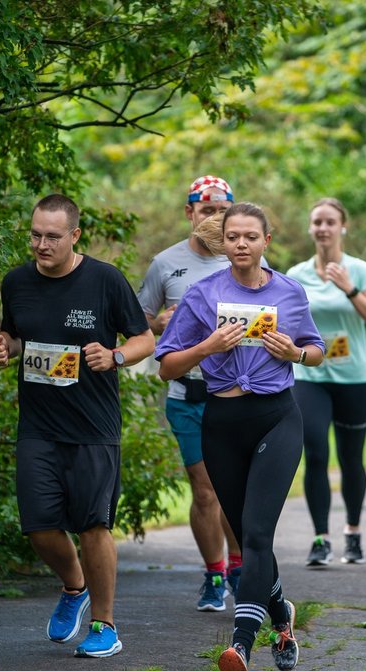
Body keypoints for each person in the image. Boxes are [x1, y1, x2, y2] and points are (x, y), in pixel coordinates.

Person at [155, 202, 325, 671]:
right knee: (251, 535)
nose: (242, 244)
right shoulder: (202, 294)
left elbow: (315, 350)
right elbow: (167, 366)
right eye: (233, 237)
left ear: (266, 241)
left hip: (276, 418)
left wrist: (295, 353)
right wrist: (207, 347)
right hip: (222, 422)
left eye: (252, 236)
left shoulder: (288, 291)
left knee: (255, 535)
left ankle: (241, 646)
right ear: (222, 242)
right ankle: (282, 619)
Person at [0, 193, 154, 658]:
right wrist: (4, 347)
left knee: (92, 526)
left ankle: (105, 626)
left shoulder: (104, 280)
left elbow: (145, 339)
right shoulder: (16, 282)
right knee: (39, 527)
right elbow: (15, 335)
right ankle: (74, 586)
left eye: (52, 237)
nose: (41, 245)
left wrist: (115, 356)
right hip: (38, 424)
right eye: (35, 235)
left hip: (92, 426)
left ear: (75, 235)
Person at [136, 175, 244, 612]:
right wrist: (158, 323)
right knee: (204, 490)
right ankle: (214, 575)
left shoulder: (241, 259)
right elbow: (136, 323)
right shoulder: (166, 264)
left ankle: (240, 568)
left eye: (222, 211)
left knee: (235, 488)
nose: (214, 218)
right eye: (206, 210)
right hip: (187, 393)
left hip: (236, 393)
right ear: (189, 212)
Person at [286, 198, 366, 567]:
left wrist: (350, 288)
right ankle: (320, 539)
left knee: (350, 458)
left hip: (354, 377)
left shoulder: (360, 270)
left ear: (343, 226)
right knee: (315, 452)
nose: (323, 228)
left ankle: (353, 532)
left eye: (330, 222)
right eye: (317, 222)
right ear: (310, 228)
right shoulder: (296, 274)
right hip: (309, 374)